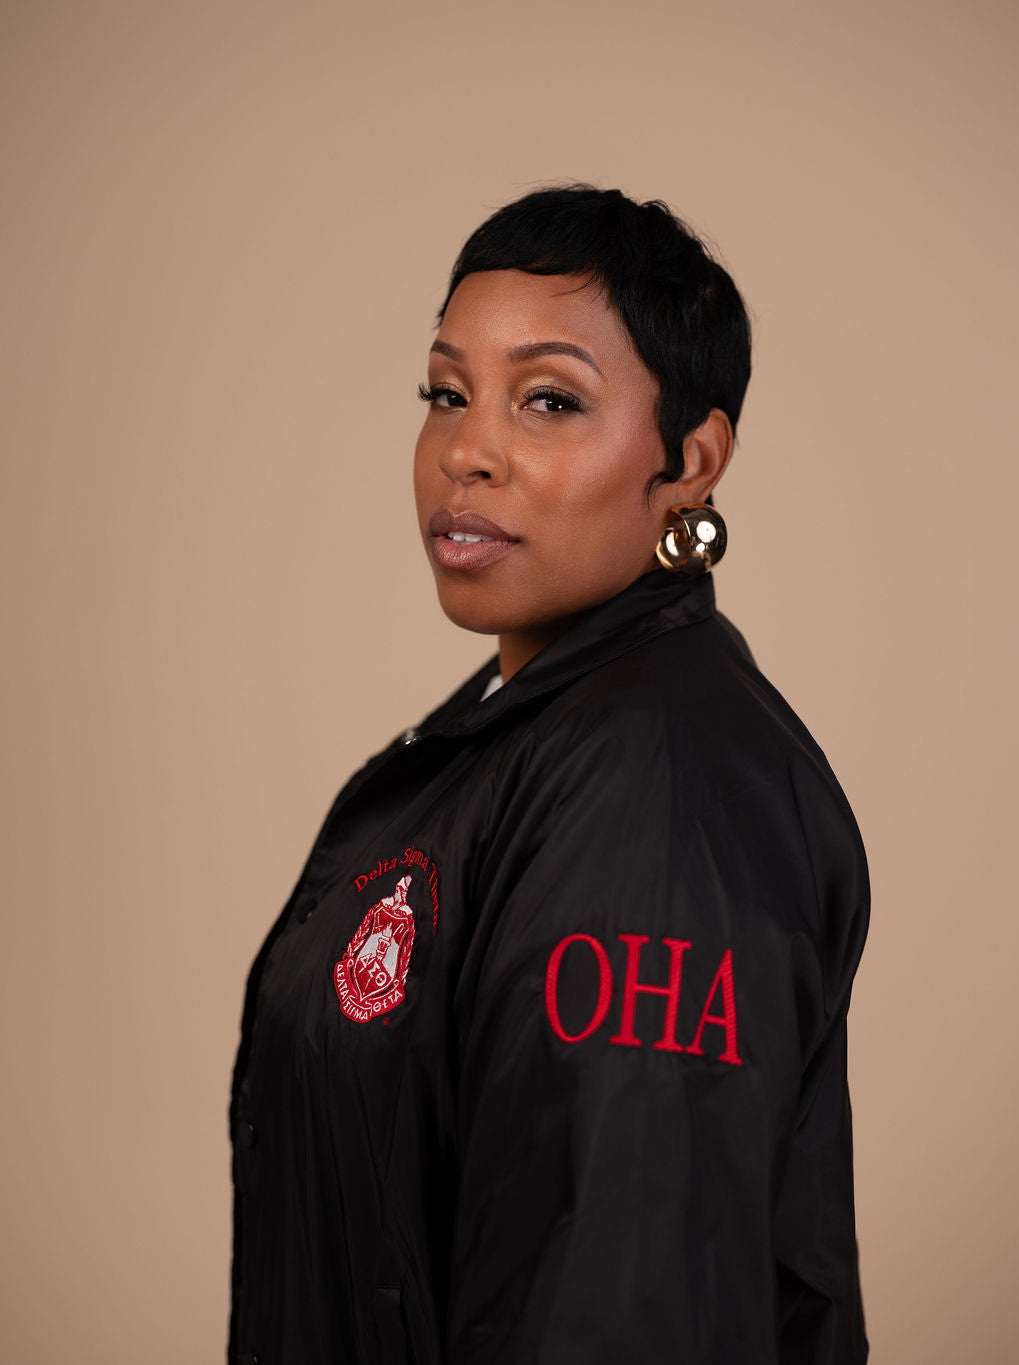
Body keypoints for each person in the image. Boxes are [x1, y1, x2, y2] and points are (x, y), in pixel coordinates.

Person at [229, 184, 870, 1364]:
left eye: (549, 401)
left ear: (690, 460)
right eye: (446, 394)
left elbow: (619, 1313)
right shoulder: (526, 741)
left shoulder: (656, 786)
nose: (465, 452)